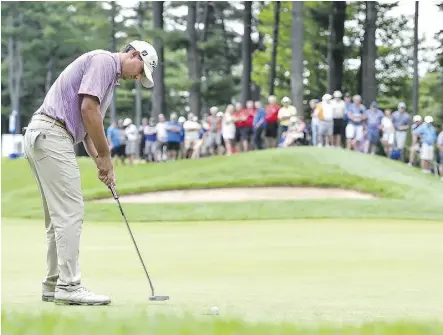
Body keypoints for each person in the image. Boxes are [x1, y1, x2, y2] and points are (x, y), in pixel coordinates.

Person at [22, 40, 158, 305]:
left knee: (57, 218)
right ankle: (69, 285)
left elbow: (86, 129)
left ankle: (53, 284)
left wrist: (101, 164)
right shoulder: (104, 61)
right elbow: (88, 110)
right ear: (134, 54)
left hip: (42, 134)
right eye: (140, 71)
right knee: (71, 212)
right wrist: (106, 156)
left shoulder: (108, 75)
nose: (137, 77)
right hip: (52, 134)